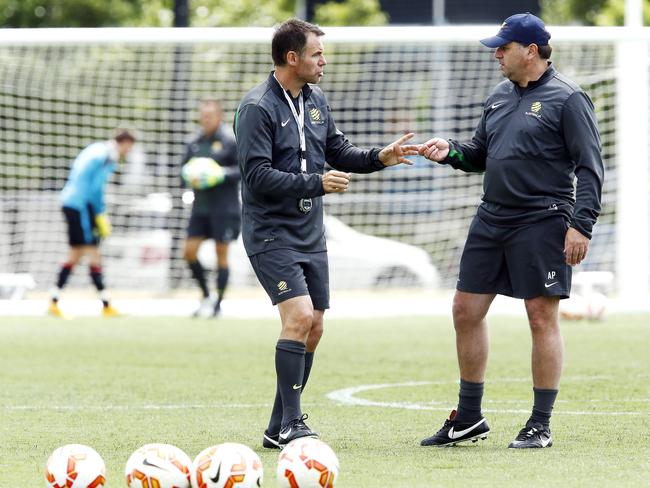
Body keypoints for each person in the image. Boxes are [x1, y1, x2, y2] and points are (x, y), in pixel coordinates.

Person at [418, 13, 604, 449]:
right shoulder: (499, 95)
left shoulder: (569, 98)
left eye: (503, 47)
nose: (496, 54)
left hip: (543, 220)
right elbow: (481, 154)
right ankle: (468, 417)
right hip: (491, 219)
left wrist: (581, 225)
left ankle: (540, 423)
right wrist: (451, 152)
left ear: (531, 51)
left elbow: (590, 168)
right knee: (465, 310)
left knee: (541, 317)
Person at [235, 18, 418, 448]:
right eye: (316, 53)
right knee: (298, 317)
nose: (323, 60)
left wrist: (381, 157)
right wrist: (315, 183)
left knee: (314, 326)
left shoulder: (316, 98)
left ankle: (277, 425)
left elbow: (337, 150)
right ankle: (294, 423)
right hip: (270, 231)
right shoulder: (257, 107)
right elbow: (257, 176)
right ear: (292, 57)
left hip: (310, 232)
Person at [48, 129, 136, 318]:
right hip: (80, 205)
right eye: (130, 147)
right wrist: (100, 213)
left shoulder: (96, 149)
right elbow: (94, 188)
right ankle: (105, 305)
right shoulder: (106, 156)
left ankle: (54, 300)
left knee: (76, 254)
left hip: (71, 202)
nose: (129, 151)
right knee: (91, 252)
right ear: (125, 142)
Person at [181, 99, 240, 317]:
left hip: (224, 208)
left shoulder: (229, 141)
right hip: (200, 208)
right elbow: (183, 171)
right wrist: (190, 176)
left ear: (219, 117)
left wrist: (220, 174)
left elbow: (243, 171)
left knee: (221, 255)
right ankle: (206, 296)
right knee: (188, 253)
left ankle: (218, 306)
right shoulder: (194, 142)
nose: (206, 119)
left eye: (210, 116)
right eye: (203, 116)